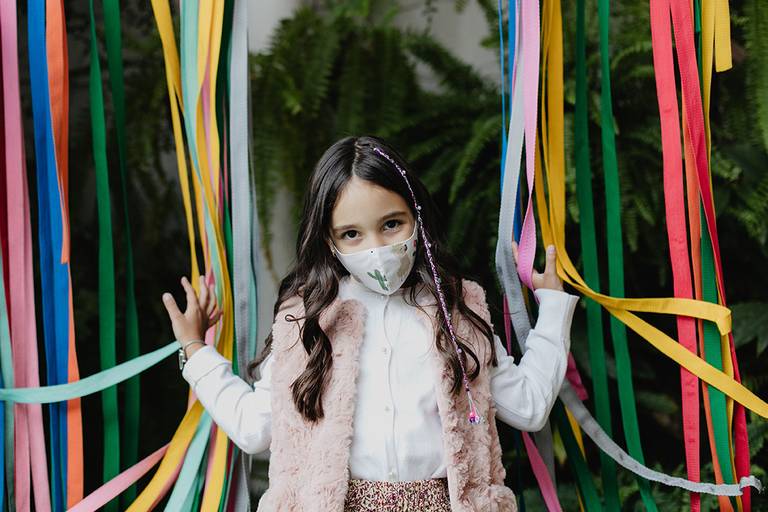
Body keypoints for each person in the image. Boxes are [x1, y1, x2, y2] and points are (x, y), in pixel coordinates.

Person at [161, 135, 580, 512]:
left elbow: (529, 406)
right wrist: (195, 351)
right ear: (329, 241)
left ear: (417, 217)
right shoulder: (307, 322)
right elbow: (254, 428)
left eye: (391, 224)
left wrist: (554, 305)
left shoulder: (458, 310)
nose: (376, 248)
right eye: (352, 234)